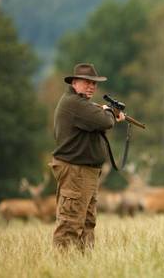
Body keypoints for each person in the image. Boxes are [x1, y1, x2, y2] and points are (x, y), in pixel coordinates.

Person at [49, 63, 125, 251]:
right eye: (86, 82)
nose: (91, 86)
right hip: (76, 171)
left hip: (84, 172)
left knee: (87, 223)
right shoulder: (75, 103)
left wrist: (107, 111)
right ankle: (62, 268)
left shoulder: (80, 103)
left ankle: (83, 266)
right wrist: (109, 111)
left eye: (94, 83)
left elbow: (98, 121)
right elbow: (104, 121)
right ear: (74, 82)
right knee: (70, 224)